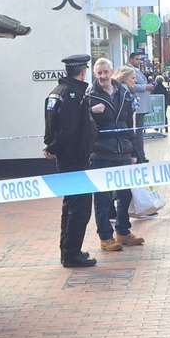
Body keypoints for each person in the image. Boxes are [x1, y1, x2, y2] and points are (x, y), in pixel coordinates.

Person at [43, 53, 99, 268]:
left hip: (66, 158)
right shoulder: (74, 94)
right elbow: (69, 129)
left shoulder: (56, 92)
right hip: (75, 157)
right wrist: (54, 147)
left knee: (70, 205)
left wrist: (51, 146)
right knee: (80, 207)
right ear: (83, 71)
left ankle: (67, 250)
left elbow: (51, 126)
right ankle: (71, 254)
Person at [88, 60, 143, 252]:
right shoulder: (90, 95)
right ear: (95, 74)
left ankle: (123, 232)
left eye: (105, 72)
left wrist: (135, 152)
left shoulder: (123, 92)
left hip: (123, 152)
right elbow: (81, 122)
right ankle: (105, 237)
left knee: (125, 194)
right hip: (101, 154)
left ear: (111, 72)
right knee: (103, 198)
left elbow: (129, 123)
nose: (102, 76)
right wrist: (90, 111)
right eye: (99, 73)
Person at [127, 52, 151, 163]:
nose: (139, 61)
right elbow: (131, 86)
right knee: (138, 134)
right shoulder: (129, 70)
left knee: (140, 133)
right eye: (137, 59)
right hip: (136, 107)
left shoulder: (137, 70)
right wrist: (146, 87)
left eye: (140, 59)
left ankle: (141, 155)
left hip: (141, 106)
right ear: (131, 59)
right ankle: (139, 156)